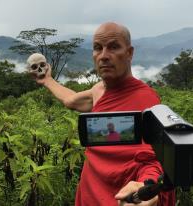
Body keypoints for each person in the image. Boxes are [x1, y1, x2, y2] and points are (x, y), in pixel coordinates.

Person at [31, 22, 175, 206]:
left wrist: (147, 189)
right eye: (98, 48)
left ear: (129, 53)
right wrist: (47, 80)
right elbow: (71, 100)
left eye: (114, 47)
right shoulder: (98, 90)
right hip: (91, 192)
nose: (104, 56)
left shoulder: (146, 99)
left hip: (124, 198)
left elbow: (151, 158)